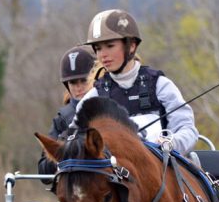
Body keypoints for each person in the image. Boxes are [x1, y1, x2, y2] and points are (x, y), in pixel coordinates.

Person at [76, 9, 198, 155]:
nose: (103, 55)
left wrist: (171, 143)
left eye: (109, 46)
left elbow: (187, 129)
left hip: (163, 170)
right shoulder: (93, 97)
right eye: (98, 49)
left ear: (131, 45)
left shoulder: (160, 85)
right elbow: (76, 138)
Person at [38, 45, 96, 178]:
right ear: (67, 85)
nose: (79, 87)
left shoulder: (110, 110)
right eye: (73, 82)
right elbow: (43, 171)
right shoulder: (62, 119)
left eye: (84, 80)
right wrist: (63, 148)